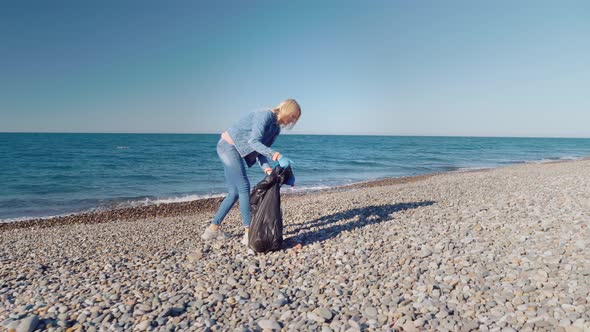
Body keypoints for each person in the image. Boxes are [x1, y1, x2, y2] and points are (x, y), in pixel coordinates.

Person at [201, 99, 301, 247]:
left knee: (234, 192)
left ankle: (212, 229)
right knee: (244, 187)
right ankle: (249, 233)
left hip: (233, 150)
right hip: (227, 147)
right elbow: (253, 142)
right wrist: (277, 156)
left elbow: (259, 151)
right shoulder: (265, 115)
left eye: (295, 119)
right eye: (293, 116)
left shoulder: (276, 129)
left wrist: (267, 169)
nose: (292, 121)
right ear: (287, 110)